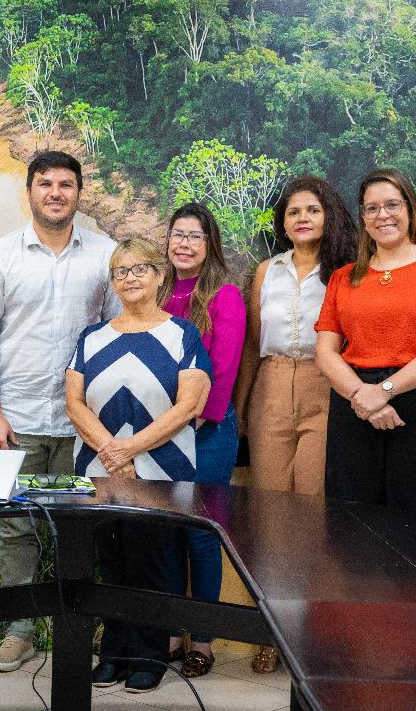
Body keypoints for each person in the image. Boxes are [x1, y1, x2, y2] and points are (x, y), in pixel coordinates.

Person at [0, 151, 121, 671]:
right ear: (28, 191)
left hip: (85, 424)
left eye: (66, 184)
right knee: (18, 526)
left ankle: (80, 633)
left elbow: (123, 334)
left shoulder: (106, 255)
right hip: (19, 419)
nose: (56, 192)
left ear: (80, 192)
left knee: (83, 525)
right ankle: (19, 630)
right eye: (46, 183)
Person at [66, 237, 212, 694]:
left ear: (159, 275)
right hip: (98, 467)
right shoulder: (92, 337)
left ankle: (149, 656)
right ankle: (113, 653)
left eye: (139, 268)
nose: (130, 277)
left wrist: (129, 451)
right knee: (110, 561)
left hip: (162, 468)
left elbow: (190, 404)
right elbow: (74, 402)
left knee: (153, 562)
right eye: (120, 271)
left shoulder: (182, 334)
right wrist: (111, 451)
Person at [232, 175, 357, 674]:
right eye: (292, 212)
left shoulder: (348, 272)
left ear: (329, 216)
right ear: (282, 224)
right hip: (271, 387)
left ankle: (313, 633)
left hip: (326, 386)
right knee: (271, 510)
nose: (302, 218)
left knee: (312, 510)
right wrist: (241, 408)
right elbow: (251, 345)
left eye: (312, 209)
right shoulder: (266, 271)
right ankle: (273, 632)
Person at [314, 168, 416, 527]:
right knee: (352, 525)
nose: (382, 215)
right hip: (354, 406)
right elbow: (325, 352)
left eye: (391, 204)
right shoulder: (344, 277)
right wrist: (363, 396)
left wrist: (385, 390)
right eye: (371, 208)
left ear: (410, 209)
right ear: (363, 218)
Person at [157, 202, 245, 677]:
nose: (183, 243)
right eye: (177, 234)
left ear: (209, 244)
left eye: (194, 236)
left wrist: (189, 421)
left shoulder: (225, 295)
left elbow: (226, 369)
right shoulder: (156, 291)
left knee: (202, 537)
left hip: (206, 431)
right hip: (159, 433)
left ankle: (204, 639)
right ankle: (171, 632)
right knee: (168, 534)